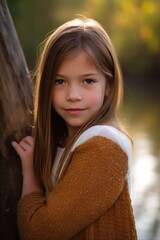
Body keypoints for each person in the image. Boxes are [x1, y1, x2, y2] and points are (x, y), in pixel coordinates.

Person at [11, 17, 137, 240]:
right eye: (60, 81)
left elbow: (40, 232)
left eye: (88, 81)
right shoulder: (65, 139)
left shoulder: (104, 147)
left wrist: (29, 172)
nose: (73, 96)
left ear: (108, 85)